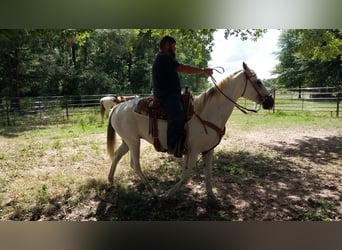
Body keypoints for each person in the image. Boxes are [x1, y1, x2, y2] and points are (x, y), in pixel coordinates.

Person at [152, 35, 213, 156]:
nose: (175, 49)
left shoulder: (166, 58)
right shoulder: (163, 57)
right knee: (177, 113)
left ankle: (186, 139)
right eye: (173, 46)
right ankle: (172, 145)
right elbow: (182, 68)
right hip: (165, 95)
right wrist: (203, 70)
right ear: (167, 45)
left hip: (172, 94)